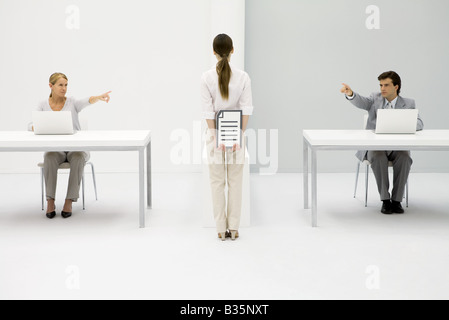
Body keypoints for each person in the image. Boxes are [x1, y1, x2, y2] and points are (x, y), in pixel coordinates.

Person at [341, 71, 423, 215]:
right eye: (380, 85)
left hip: (398, 147)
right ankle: (385, 200)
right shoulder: (374, 99)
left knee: (405, 158)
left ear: (396, 87)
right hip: (376, 147)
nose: (382, 88)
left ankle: (396, 201)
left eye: (386, 85)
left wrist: (401, 123)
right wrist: (350, 93)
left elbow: (420, 123)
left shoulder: (408, 103)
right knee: (378, 157)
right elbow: (361, 102)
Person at [32, 72, 111, 219]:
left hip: (76, 148)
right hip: (57, 149)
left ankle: (69, 200)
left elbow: (87, 101)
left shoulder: (72, 102)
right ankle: (50, 201)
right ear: (51, 86)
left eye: (66, 85)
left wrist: (99, 97)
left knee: (78, 157)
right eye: (60, 85)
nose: (64, 88)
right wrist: (35, 126)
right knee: (49, 156)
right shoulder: (43, 105)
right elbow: (32, 123)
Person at [200, 34, 254, 240]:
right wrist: (239, 135)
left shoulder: (206, 77)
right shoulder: (243, 77)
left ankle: (221, 230)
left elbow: (207, 112)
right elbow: (246, 108)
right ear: (233, 50)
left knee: (216, 182)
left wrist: (214, 137)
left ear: (213, 52)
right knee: (235, 181)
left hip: (214, 133)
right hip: (236, 133)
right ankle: (235, 228)